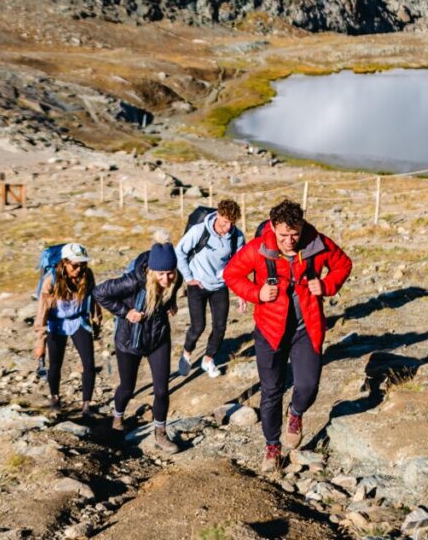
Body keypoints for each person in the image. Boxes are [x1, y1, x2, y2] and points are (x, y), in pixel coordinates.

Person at [224, 199, 352, 472]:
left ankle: (295, 414)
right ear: (272, 227)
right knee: (271, 391)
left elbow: (343, 264)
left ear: (301, 226)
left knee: (307, 386)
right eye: (283, 235)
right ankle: (272, 447)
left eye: (294, 234)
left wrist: (326, 285)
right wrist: (256, 293)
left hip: (307, 327)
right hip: (270, 331)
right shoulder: (259, 248)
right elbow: (232, 274)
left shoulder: (316, 242)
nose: (290, 241)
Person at [93, 230, 181, 454]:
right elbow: (99, 293)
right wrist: (125, 312)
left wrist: (171, 303)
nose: (166, 279)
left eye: (170, 273)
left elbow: (173, 287)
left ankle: (160, 433)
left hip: (158, 338)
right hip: (129, 341)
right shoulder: (132, 280)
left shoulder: (174, 279)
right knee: (127, 387)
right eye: (161, 275)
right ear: (151, 271)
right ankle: (117, 419)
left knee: (162, 390)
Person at [175, 199, 246, 378]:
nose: (228, 227)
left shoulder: (237, 237)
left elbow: (239, 266)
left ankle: (208, 360)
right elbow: (180, 252)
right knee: (198, 326)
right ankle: (186, 354)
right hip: (197, 285)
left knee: (220, 327)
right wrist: (189, 278)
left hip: (220, 285)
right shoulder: (199, 231)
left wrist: (241, 293)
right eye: (224, 222)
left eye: (232, 223)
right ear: (218, 215)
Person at [34, 242, 101, 414]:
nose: (79, 269)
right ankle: (55, 397)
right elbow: (42, 312)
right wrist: (40, 342)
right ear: (64, 262)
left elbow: (94, 299)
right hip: (56, 323)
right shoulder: (51, 280)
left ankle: (86, 405)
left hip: (79, 321)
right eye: (75, 265)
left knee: (89, 364)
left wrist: (97, 321)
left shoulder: (87, 275)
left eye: (83, 264)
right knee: (55, 363)